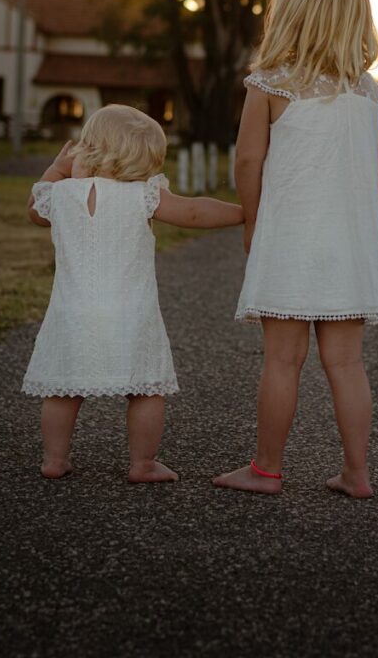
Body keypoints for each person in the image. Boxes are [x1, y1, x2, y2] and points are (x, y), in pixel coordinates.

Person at [213, 0, 378, 498]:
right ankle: (357, 472)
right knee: (348, 363)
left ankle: (266, 469)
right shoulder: (368, 93)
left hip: (291, 242)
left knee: (282, 360)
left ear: (289, 15)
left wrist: (252, 222)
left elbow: (248, 161)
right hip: (351, 249)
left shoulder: (271, 84)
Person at [23, 104, 243, 482]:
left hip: (72, 313)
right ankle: (143, 464)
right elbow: (193, 212)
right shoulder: (143, 195)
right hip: (130, 313)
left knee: (63, 390)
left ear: (88, 148)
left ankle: (54, 460)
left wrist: (57, 169)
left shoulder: (62, 195)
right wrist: (243, 213)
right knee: (144, 390)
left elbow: (33, 210)